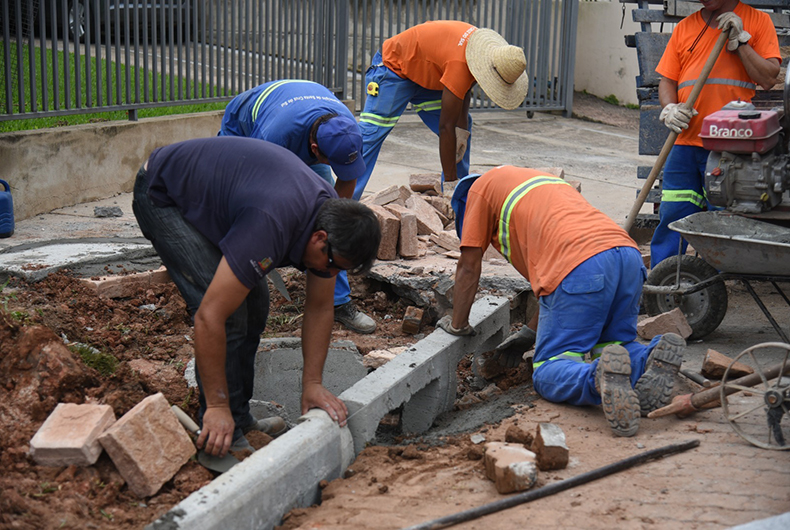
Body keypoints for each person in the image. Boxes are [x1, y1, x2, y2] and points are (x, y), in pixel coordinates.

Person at [132, 136, 381, 457]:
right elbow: (209, 316)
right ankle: (219, 426)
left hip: (229, 196)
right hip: (164, 193)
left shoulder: (331, 224)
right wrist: (217, 406)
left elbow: (320, 308)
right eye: (332, 265)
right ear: (319, 239)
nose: (330, 274)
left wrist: (313, 385)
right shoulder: (274, 220)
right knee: (228, 310)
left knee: (256, 304)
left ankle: (238, 418)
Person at [440, 167, 686, 437]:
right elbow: (552, 292)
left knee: (549, 367)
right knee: (614, 345)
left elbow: (468, 266)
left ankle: (596, 378)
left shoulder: (477, 191)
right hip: (627, 257)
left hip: (580, 266)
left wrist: (458, 325)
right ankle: (651, 357)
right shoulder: (538, 183)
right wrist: (529, 334)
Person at [219, 79, 377, 334]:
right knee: (238, 208)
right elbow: (257, 193)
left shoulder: (347, 133)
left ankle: (337, 302)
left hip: (302, 115)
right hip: (244, 125)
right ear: (315, 150)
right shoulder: (273, 136)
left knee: (333, 232)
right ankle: (229, 295)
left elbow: (346, 188)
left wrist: (327, 227)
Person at [650, 0, 780, 267]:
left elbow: (768, 78)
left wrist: (741, 42)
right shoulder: (685, 27)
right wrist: (670, 108)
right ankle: (664, 278)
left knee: (724, 222)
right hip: (685, 142)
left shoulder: (758, 21)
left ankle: (720, 279)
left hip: (730, 146)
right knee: (673, 214)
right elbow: (668, 80)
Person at [353, 20, 529, 200]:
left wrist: (461, 133)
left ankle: (459, 196)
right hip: (393, 67)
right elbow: (446, 126)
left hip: (427, 72)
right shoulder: (460, 64)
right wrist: (450, 183)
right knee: (371, 133)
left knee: (461, 128)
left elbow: (464, 90)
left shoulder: (482, 53)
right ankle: (345, 202)